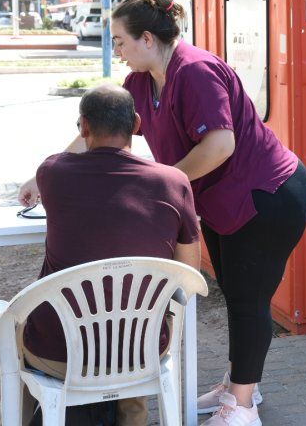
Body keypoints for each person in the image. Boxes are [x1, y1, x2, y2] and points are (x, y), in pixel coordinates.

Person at [108, 0, 306, 426]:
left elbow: (220, 145)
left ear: (146, 38)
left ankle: (241, 406)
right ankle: (240, 384)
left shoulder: (195, 71)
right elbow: (109, 127)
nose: (117, 51)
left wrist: (165, 183)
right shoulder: (143, 81)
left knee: (247, 299)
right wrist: (57, 166)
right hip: (224, 200)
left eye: (120, 41)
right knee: (236, 294)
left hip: (269, 196)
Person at [18, 84, 201, 425]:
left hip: (60, 353)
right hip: (141, 351)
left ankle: (41, 414)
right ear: (135, 124)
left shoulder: (53, 173)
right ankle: (131, 412)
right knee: (133, 326)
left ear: (83, 127)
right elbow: (187, 275)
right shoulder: (172, 181)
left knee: (18, 323)